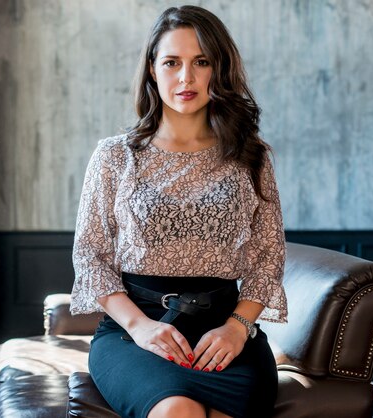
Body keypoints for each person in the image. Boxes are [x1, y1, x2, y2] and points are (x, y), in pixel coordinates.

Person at [70, 5, 287, 418]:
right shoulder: (116, 157)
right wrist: (140, 327)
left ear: (217, 70)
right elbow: (90, 255)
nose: (185, 78)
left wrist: (237, 329)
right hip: (135, 331)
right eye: (172, 62)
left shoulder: (249, 157)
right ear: (153, 69)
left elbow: (267, 257)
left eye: (200, 62)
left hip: (225, 332)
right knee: (176, 412)